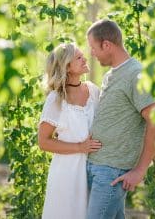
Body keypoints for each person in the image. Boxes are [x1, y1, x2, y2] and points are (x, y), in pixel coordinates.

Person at [86, 20, 155, 219]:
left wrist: (140, 170)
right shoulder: (111, 75)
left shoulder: (135, 74)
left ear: (106, 45)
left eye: (93, 48)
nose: (91, 54)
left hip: (112, 173)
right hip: (98, 167)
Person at [38, 43, 102, 219]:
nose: (85, 59)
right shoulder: (56, 98)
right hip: (67, 174)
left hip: (95, 170)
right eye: (79, 57)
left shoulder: (93, 90)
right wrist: (80, 147)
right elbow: (43, 142)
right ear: (67, 67)